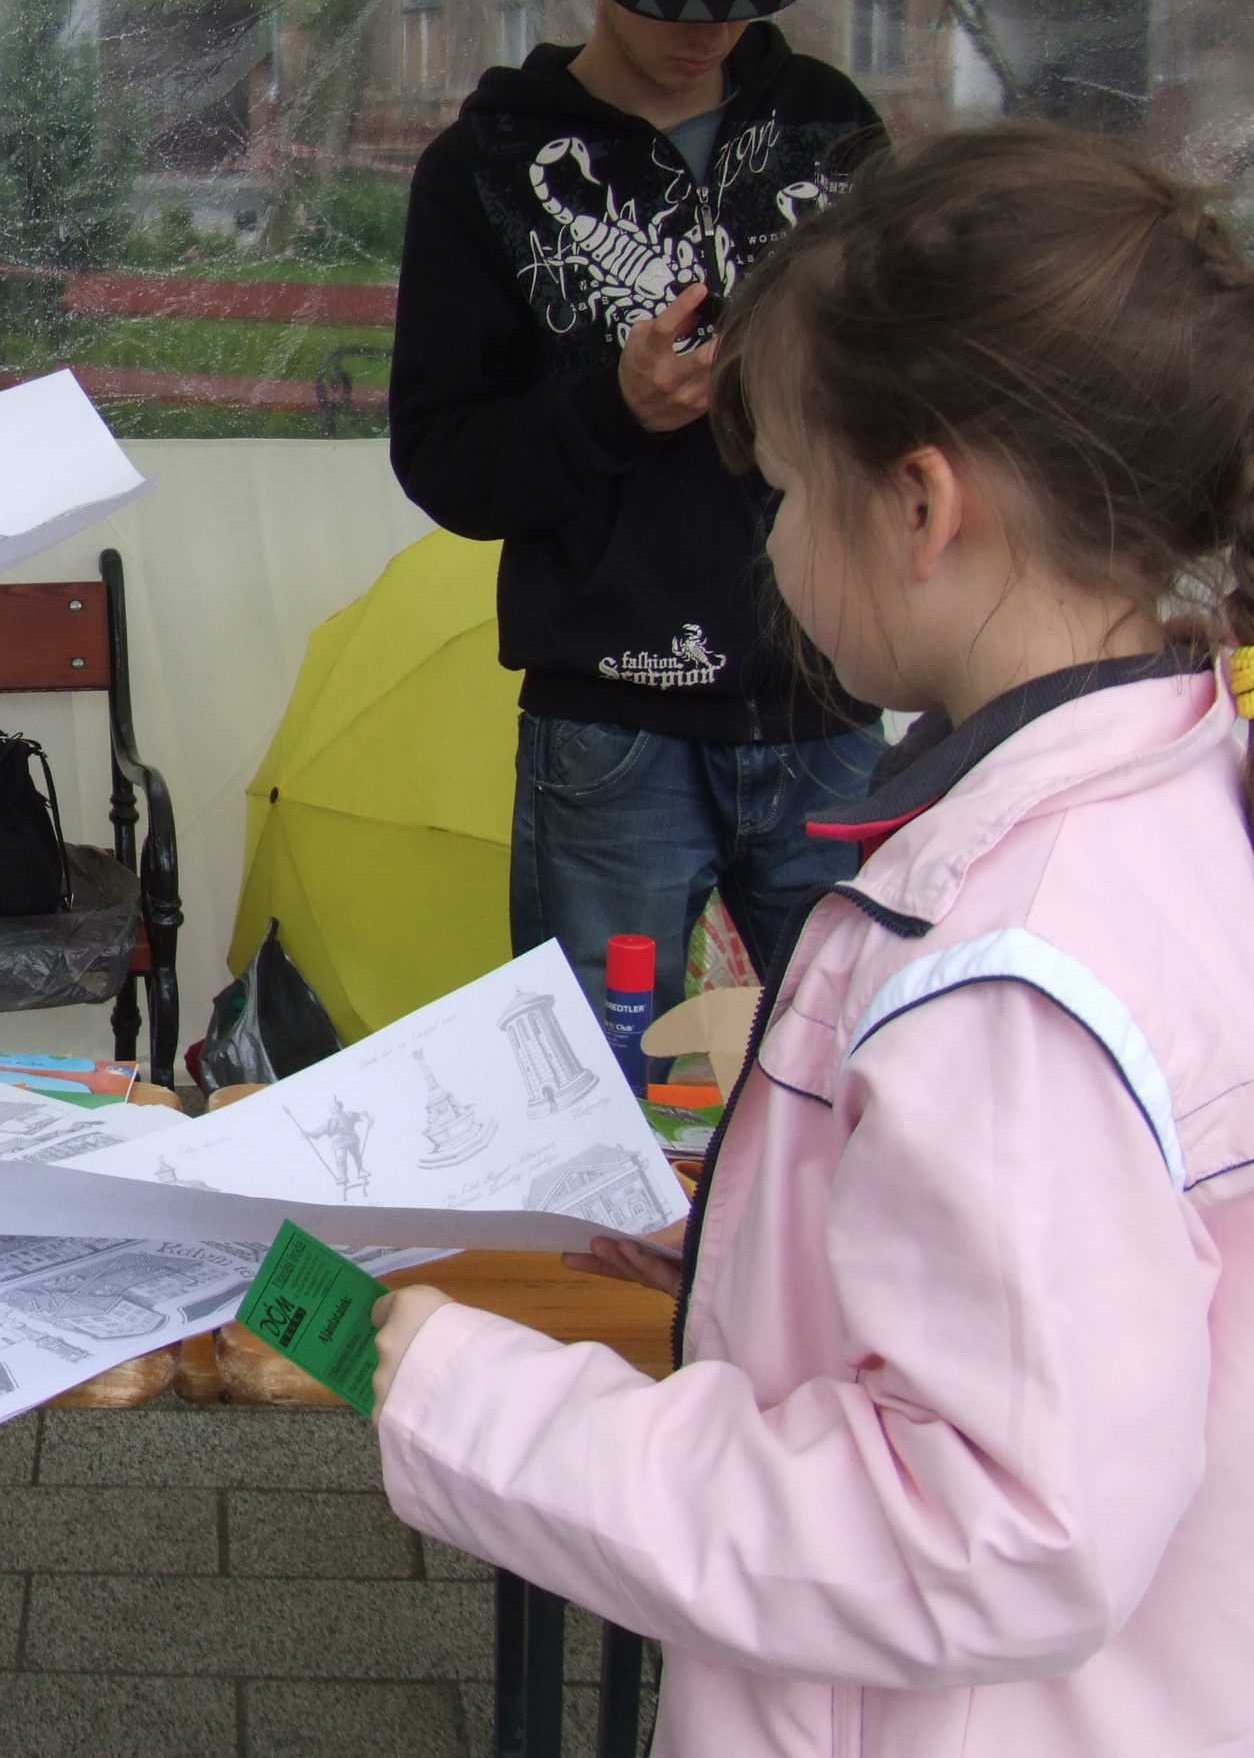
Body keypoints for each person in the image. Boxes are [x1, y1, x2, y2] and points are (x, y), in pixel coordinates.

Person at [370, 125, 1254, 1757]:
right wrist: (766, 1236)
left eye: (778, 490)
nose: (768, 545)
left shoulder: (1012, 969)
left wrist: (487, 1407)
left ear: (919, 505)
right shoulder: (1171, 795)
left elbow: (990, 1529)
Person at [387, 0, 888, 1066]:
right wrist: (612, 410)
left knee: (868, 1079)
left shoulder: (833, 129)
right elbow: (443, 460)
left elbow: (913, 381)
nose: (706, 26)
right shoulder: (486, 170)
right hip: (613, 722)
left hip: (831, 693)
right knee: (597, 1093)